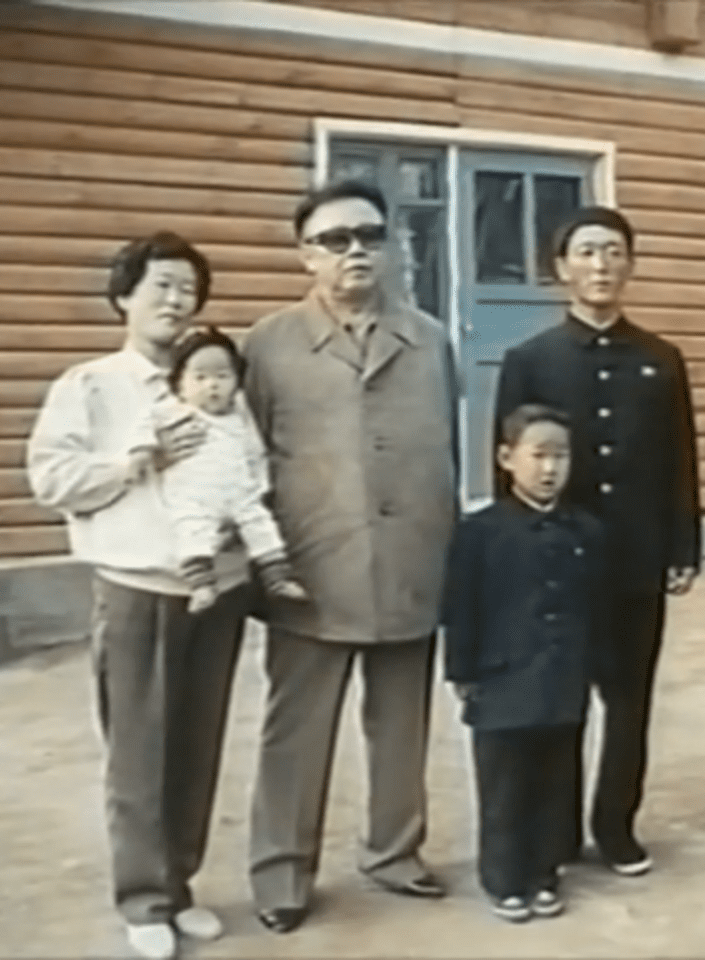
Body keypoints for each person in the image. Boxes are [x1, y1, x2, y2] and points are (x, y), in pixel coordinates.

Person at [241, 179, 458, 934]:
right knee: (295, 730)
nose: (355, 251)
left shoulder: (430, 339)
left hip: (411, 561)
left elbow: (449, 449)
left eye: (369, 235)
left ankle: (394, 853)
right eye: (335, 240)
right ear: (306, 256)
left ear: (391, 246)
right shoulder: (268, 343)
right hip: (311, 568)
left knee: (401, 724)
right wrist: (262, 559)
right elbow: (244, 459)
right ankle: (281, 874)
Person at [26, 232, 248, 960]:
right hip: (137, 589)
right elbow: (51, 479)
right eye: (161, 286)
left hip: (215, 591)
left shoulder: (218, 381)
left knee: (197, 745)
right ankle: (144, 898)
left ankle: (180, 885)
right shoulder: (90, 386)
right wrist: (132, 464)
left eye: (188, 289)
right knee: (139, 752)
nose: (177, 301)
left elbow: (252, 468)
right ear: (124, 296)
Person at [494, 206, 701, 877]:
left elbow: (680, 460)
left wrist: (682, 547)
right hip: (560, 562)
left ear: (630, 264)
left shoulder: (661, 359)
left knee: (630, 702)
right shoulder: (530, 361)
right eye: (586, 251)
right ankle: (555, 835)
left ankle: (616, 826)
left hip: (637, 558)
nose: (601, 264)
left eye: (614, 251)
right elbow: (509, 470)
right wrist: (517, 554)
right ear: (562, 269)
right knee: (560, 702)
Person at [442, 404, 607, 923]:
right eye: (538, 455)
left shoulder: (585, 531)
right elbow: (460, 607)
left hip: (562, 677)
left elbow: (597, 607)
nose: (550, 468)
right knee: (505, 783)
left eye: (561, 456)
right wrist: (463, 671)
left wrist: (592, 666)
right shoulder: (480, 531)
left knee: (554, 778)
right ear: (506, 458)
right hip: (502, 679)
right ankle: (504, 878)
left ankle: (544, 872)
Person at [135, 325, 307, 613]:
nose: (212, 385)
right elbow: (144, 429)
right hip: (194, 496)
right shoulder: (173, 411)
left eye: (222, 376)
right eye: (200, 377)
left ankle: (277, 578)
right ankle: (201, 585)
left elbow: (255, 453)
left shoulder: (240, 417)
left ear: (237, 382)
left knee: (262, 528)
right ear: (179, 384)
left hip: (240, 493)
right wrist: (140, 453)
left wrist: (259, 488)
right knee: (193, 534)